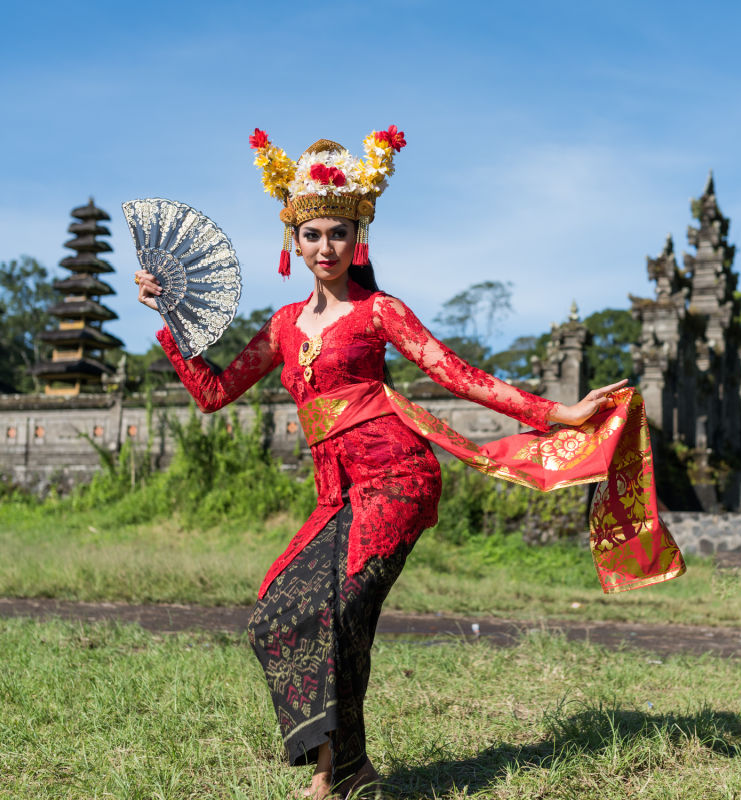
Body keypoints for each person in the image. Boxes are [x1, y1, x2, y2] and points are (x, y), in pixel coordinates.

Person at [134, 126, 684, 799]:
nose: (325, 248)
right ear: (293, 240)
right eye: (312, 235)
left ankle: (334, 775)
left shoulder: (380, 312)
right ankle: (347, 766)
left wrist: (556, 413)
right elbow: (215, 394)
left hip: (398, 477)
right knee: (278, 613)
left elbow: (455, 374)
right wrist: (170, 317)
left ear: (356, 236)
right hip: (336, 495)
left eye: (338, 233)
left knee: (342, 612)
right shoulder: (281, 327)